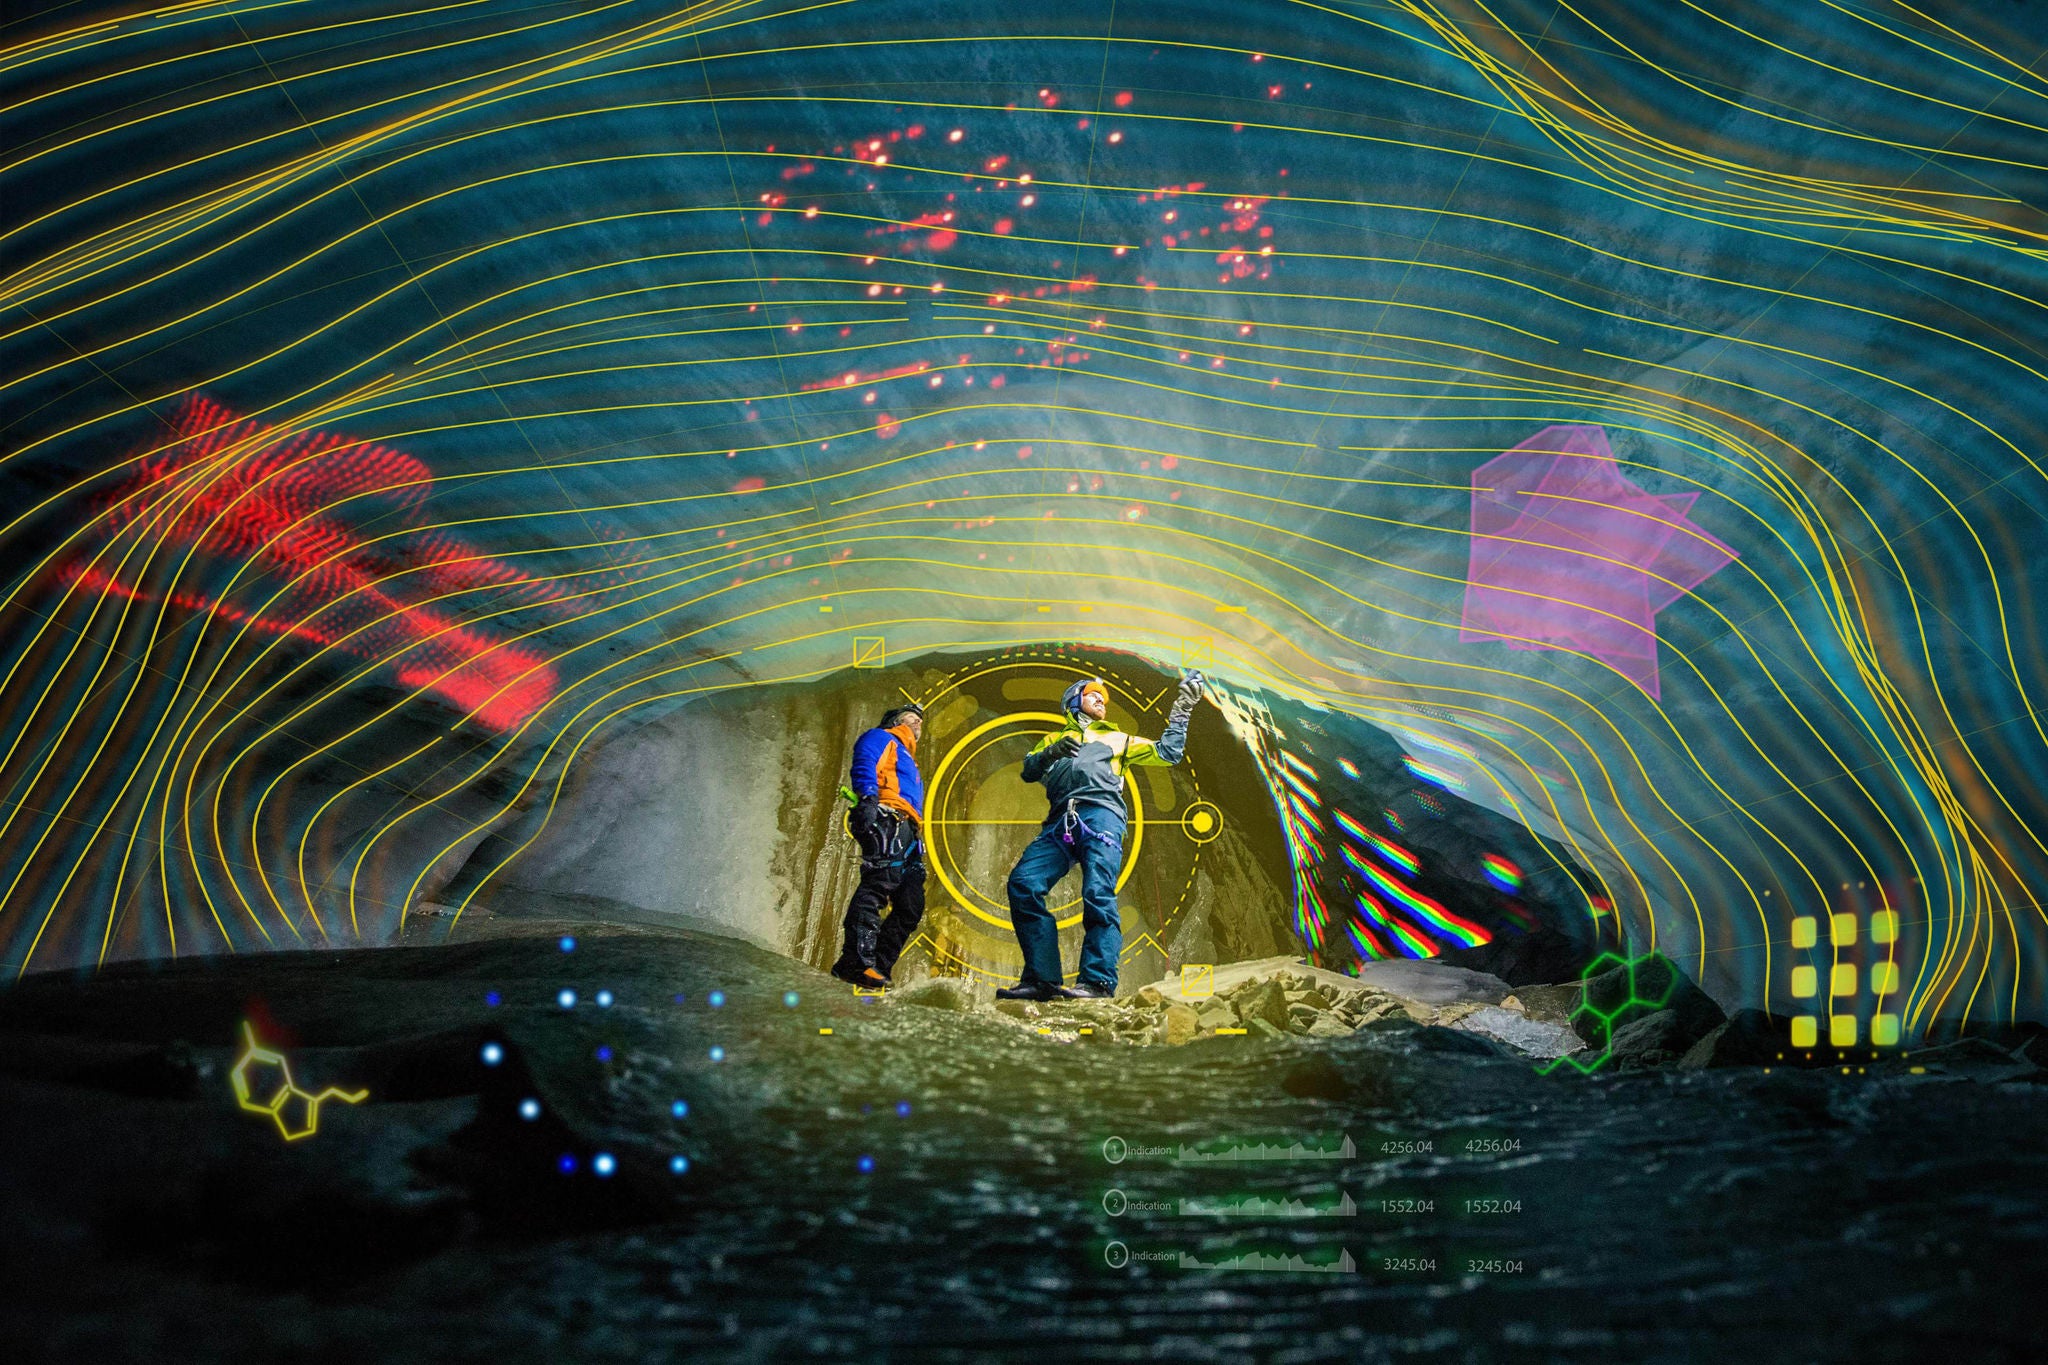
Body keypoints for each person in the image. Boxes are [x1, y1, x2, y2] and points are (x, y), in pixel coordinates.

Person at [997, 671, 1204, 1001]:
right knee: (1023, 883)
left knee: (1097, 891)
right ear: (1073, 703)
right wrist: (1051, 753)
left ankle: (1097, 982)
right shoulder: (1052, 740)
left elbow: (1168, 753)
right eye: (1092, 694)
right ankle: (1042, 979)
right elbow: (1029, 770)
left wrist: (1183, 707)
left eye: (1103, 698)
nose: (1100, 700)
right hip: (1059, 821)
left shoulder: (1118, 739)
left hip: (1102, 815)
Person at [831, 703, 926, 989]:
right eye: (911, 717)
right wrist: (869, 800)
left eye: (921, 721)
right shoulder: (882, 737)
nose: (918, 722)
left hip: (909, 829)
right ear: (894, 720)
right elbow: (865, 762)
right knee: (878, 884)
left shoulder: (909, 758)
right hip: (886, 817)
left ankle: (878, 968)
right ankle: (856, 962)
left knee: (911, 905)